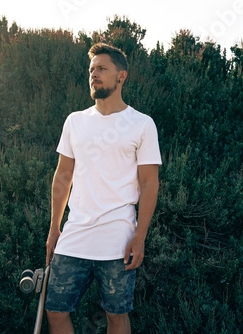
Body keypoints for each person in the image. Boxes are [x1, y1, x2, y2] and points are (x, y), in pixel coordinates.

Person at [44, 43, 161, 334]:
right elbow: (62, 177)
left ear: (121, 76)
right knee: (55, 310)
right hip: (75, 235)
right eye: (91, 70)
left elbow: (149, 184)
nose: (94, 74)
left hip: (117, 239)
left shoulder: (142, 124)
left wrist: (140, 236)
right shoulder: (75, 121)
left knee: (116, 316)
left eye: (102, 69)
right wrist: (54, 228)